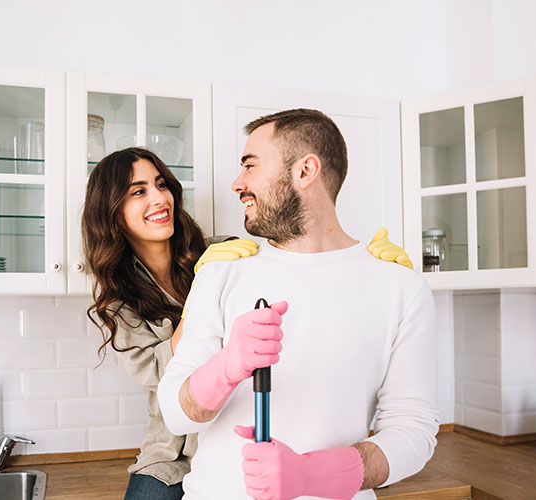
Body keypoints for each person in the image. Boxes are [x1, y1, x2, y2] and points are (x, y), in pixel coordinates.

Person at [82, 147, 413, 500]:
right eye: (139, 191)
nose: (159, 198)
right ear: (114, 212)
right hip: (171, 454)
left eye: (161, 185)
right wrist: (200, 292)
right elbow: (159, 374)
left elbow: (298, 281)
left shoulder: (224, 253)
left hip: (239, 437)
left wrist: (369, 269)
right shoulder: (119, 300)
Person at [158, 109, 439, 500]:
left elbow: (413, 432)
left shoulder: (400, 286)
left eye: (250, 166)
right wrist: (225, 367)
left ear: (306, 171)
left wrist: (312, 474)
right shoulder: (221, 272)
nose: (237, 184)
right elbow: (176, 413)